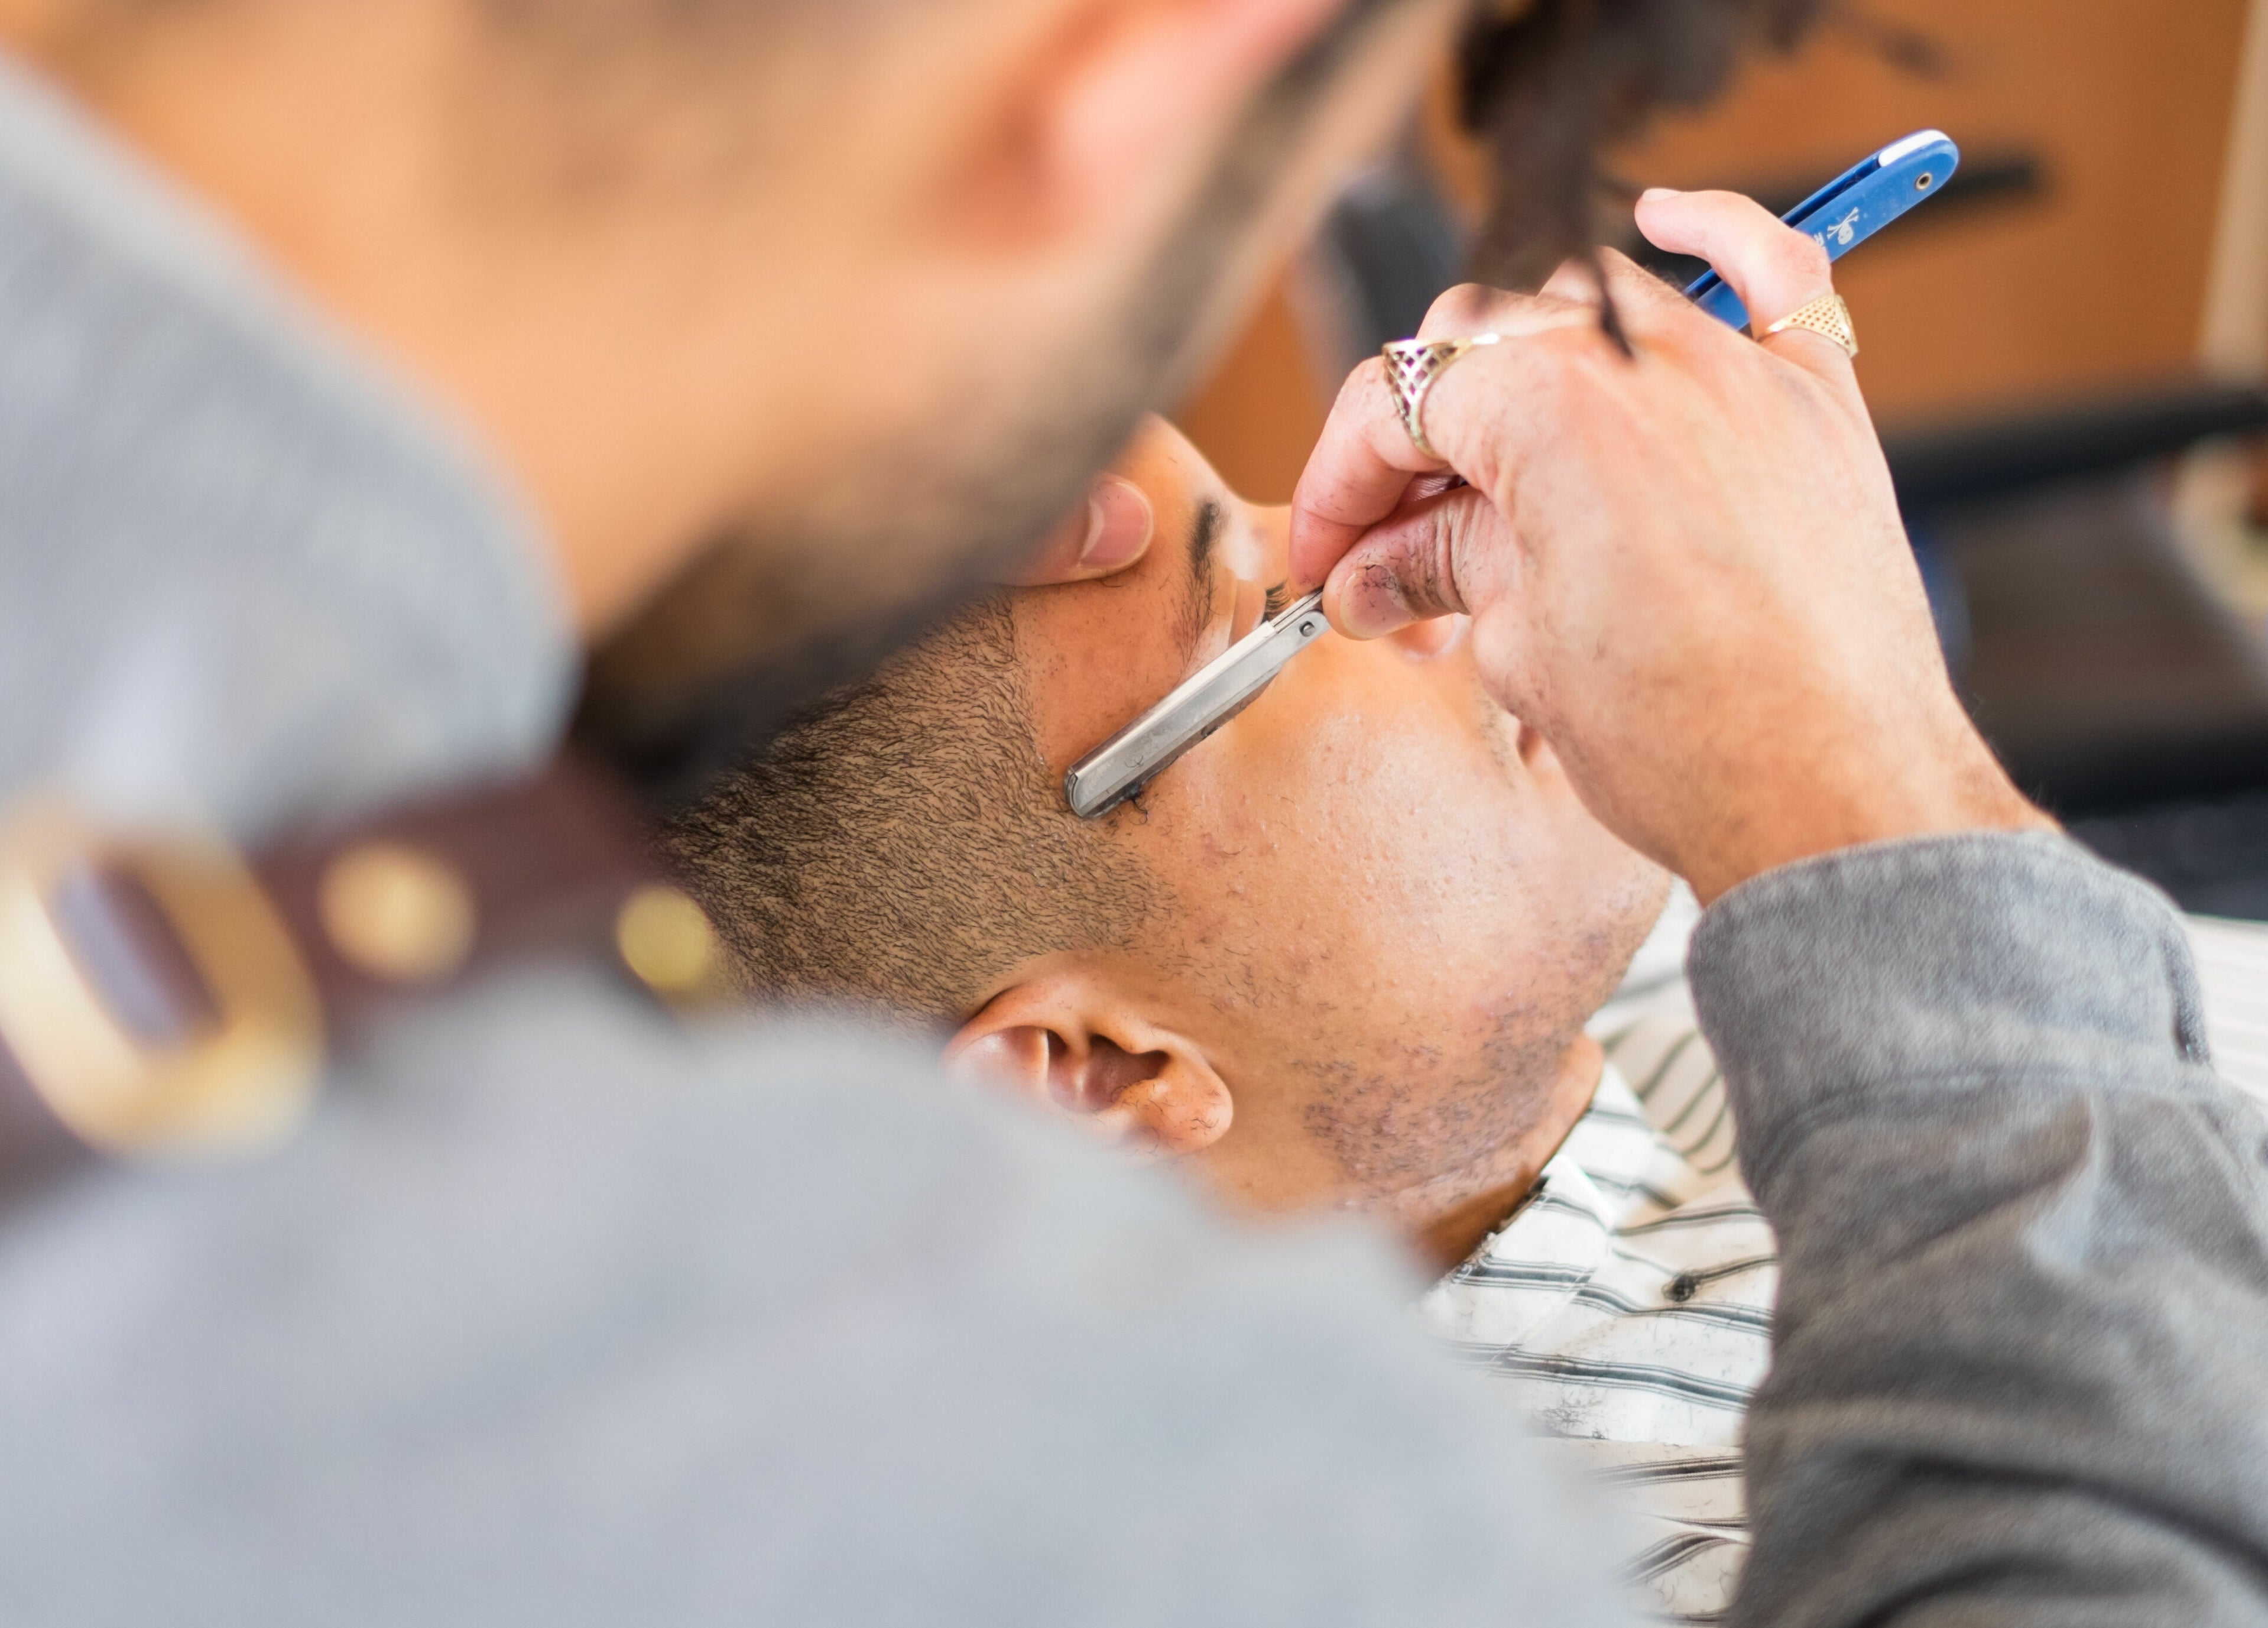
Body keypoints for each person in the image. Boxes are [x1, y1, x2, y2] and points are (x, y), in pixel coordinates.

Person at [2, 4, 2267, 1627]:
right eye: (1276, 609)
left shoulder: (1552, 1000)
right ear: (1143, 56)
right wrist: (1850, 781)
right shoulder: (1227, 1511)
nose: (1408, 555)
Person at [665, 412, 1772, 1620]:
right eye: (1272, 628)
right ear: (1103, 1077)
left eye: (1268, 494)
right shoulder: (1672, 1566)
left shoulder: (1583, 938)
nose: (1427, 571)